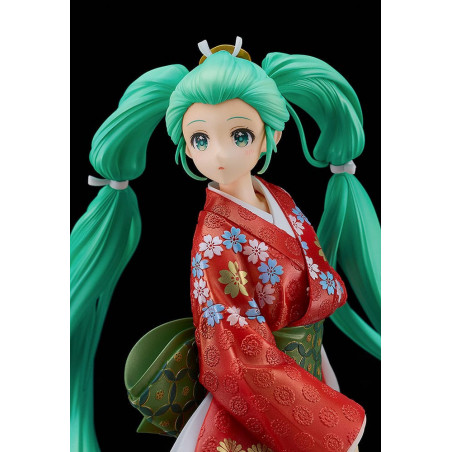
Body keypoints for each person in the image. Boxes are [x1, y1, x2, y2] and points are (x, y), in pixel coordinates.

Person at [71, 37, 381, 452]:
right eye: (201, 139)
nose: (219, 153)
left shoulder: (280, 199)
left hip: (309, 370)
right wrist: (329, 422)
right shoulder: (215, 238)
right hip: (262, 401)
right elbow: (233, 352)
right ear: (186, 149)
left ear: (271, 136)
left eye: (239, 135)